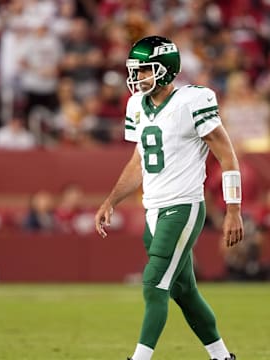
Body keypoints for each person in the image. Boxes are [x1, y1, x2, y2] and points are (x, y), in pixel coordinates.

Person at [94, 36, 244, 360]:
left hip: (183, 205)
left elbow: (227, 157)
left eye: (145, 70)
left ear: (166, 70)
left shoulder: (192, 101)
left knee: (153, 284)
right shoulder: (136, 106)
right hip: (153, 209)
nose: (139, 77)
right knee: (184, 291)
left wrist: (233, 209)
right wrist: (111, 201)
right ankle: (222, 357)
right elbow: (139, 161)